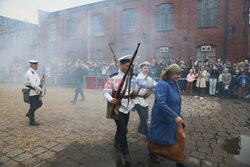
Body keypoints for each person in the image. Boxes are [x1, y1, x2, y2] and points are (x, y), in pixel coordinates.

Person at [147, 64, 188, 167]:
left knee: (175, 138)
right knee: (157, 136)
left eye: (180, 74)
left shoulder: (175, 83)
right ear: (170, 74)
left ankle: (179, 161)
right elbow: (161, 103)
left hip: (172, 116)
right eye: (176, 74)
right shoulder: (162, 84)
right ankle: (152, 152)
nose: (179, 76)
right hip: (162, 116)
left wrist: (177, 114)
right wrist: (175, 116)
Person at [103, 55, 137, 164]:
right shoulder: (113, 77)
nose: (130, 68)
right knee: (123, 130)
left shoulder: (132, 77)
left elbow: (133, 91)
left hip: (127, 106)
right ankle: (125, 152)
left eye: (130, 66)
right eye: (127, 66)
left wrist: (134, 94)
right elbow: (105, 92)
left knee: (122, 128)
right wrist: (110, 99)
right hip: (117, 107)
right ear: (120, 65)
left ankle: (117, 141)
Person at [134, 61, 158, 136]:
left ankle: (140, 129)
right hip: (137, 100)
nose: (146, 70)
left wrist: (150, 92)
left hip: (145, 100)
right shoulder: (137, 78)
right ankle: (147, 133)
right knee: (143, 117)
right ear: (140, 69)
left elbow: (156, 86)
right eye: (144, 68)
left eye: (147, 68)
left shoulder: (150, 78)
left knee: (145, 116)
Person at [24, 60, 44, 126]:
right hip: (32, 92)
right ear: (31, 65)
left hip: (36, 91)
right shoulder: (30, 73)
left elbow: (36, 83)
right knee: (33, 106)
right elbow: (33, 85)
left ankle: (29, 113)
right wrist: (40, 90)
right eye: (35, 65)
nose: (37, 66)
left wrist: (40, 80)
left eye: (37, 65)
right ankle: (32, 121)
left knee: (39, 103)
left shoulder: (34, 72)